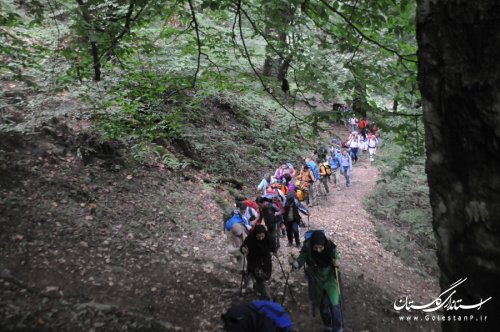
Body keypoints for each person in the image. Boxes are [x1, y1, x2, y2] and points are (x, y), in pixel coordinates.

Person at [290, 231, 343, 332]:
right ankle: (327, 325)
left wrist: (337, 262)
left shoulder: (330, 247)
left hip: (330, 279)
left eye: (321, 247)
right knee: (322, 306)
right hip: (316, 280)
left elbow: (337, 258)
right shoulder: (307, 248)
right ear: (312, 245)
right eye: (316, 247)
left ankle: (338, 328)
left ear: (324, 244)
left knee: (334, 304)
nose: (318, 250)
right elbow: (300, 261)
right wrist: (294, 263)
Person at [241, 225, 276, 300]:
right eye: (258, 237)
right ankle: (267, 297)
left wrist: (275, 251)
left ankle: (258, 288)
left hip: (266, 260)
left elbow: (273, 247)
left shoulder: (269, 238)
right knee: (261, 278)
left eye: (262, 236)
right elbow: (243, 247)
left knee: (267, 276)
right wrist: (244, 250)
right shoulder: (250, 238)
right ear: (255, 234)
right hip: (254, 261)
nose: (260, 238)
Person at [225, 203, 251, 270]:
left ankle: (242, 267)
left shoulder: (238, 215)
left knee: (240, 249)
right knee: (240, 249)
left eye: (244, 211)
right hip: (237, 233)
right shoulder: (241, 218)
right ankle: (242, 267)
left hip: (236, 233)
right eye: (242, 210)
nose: (243, 212)